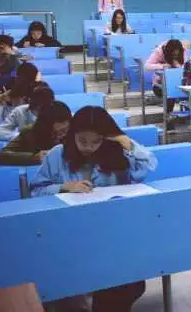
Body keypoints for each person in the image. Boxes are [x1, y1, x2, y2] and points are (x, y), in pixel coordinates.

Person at [30, 106, 155, 312]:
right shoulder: (57, 155)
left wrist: (125, 142)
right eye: (83, 141)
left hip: (110, 234)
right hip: (69, 235)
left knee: (129, 285)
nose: (89, 147)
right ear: (72, 135)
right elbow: (35, 191)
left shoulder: (116, 154)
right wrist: (63, 187)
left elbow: (144, 169)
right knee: (75, 286)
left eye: (96, 141)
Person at [0, 101, 72, 166]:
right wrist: (34, 158)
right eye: (56, 133)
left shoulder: (74, 131)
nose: (62, 135)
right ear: (45, 128)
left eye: (65, 131)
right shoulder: (30, 132)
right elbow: (1, 156)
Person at [145, 39, 187, 112]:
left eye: (177, 54)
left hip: (178, 83)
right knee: (170, 93)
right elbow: (147, 66)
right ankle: (168, 115)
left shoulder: (182, 50)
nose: (175, 56)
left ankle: (190, 115)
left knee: (188, 92)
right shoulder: (159, 51)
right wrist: (163, 66)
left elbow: (185, 66)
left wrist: (177, 65)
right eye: (173, 54)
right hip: (160, 84)